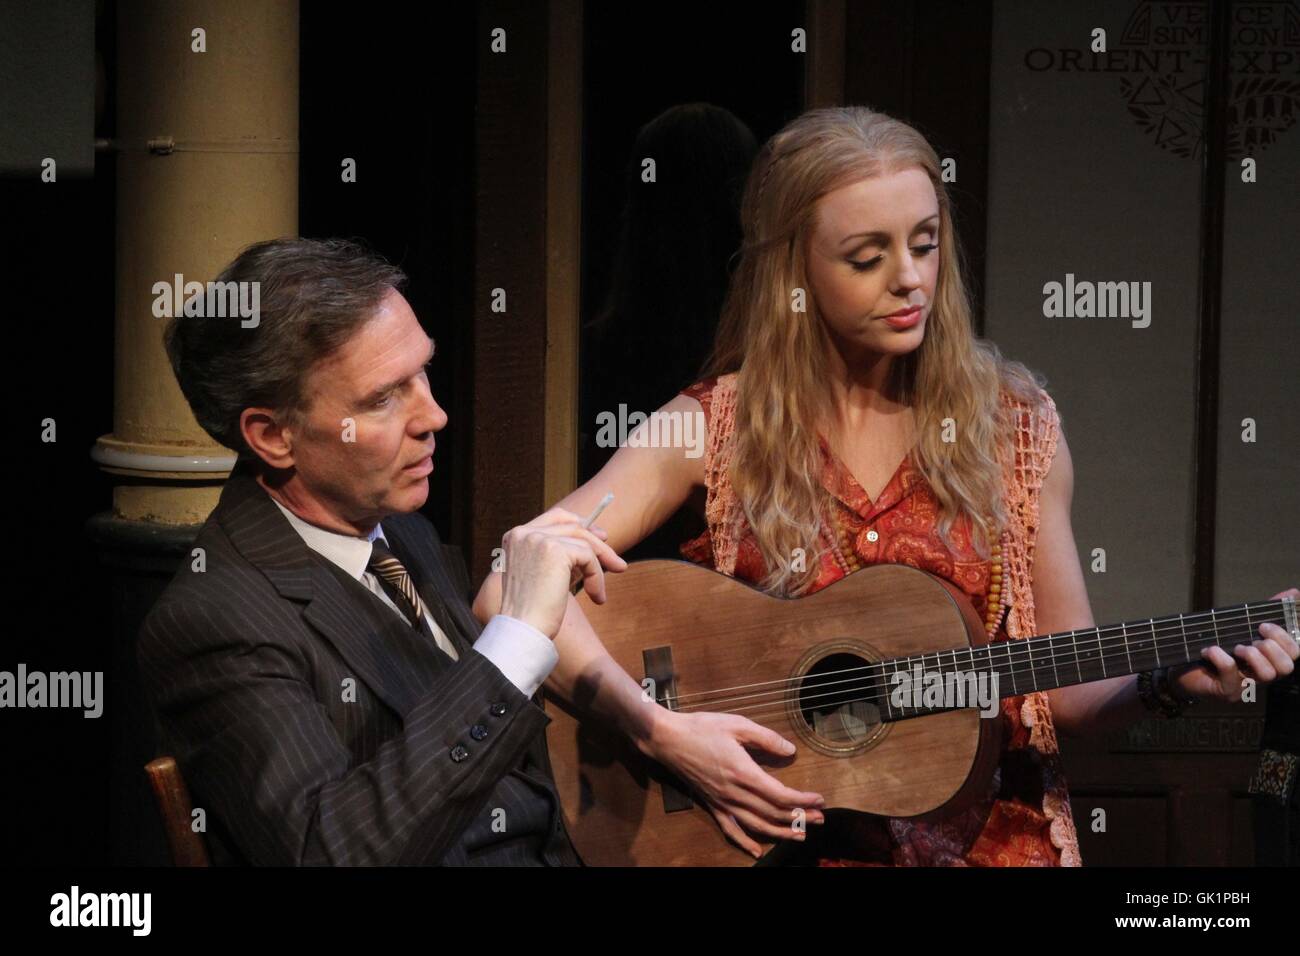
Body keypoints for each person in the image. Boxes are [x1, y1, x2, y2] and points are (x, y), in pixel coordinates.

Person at [474, 106, 1299, 865]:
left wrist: (1163, 680)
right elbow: (512, 582)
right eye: (866, 257)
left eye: (925, 242)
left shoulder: (1013, 427)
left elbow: (1070, 695)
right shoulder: (715, 429)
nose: (909, 278)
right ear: (791, 270)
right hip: (780, 843)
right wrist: (657, 730)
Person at [138, 238, 625, 866]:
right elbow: (330, 852)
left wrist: (658, 731)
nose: (436, 416)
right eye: (384, 398)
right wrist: (517, 639)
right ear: (272, 435)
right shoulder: (216, 622)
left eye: (422, 373)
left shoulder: (397, 529)